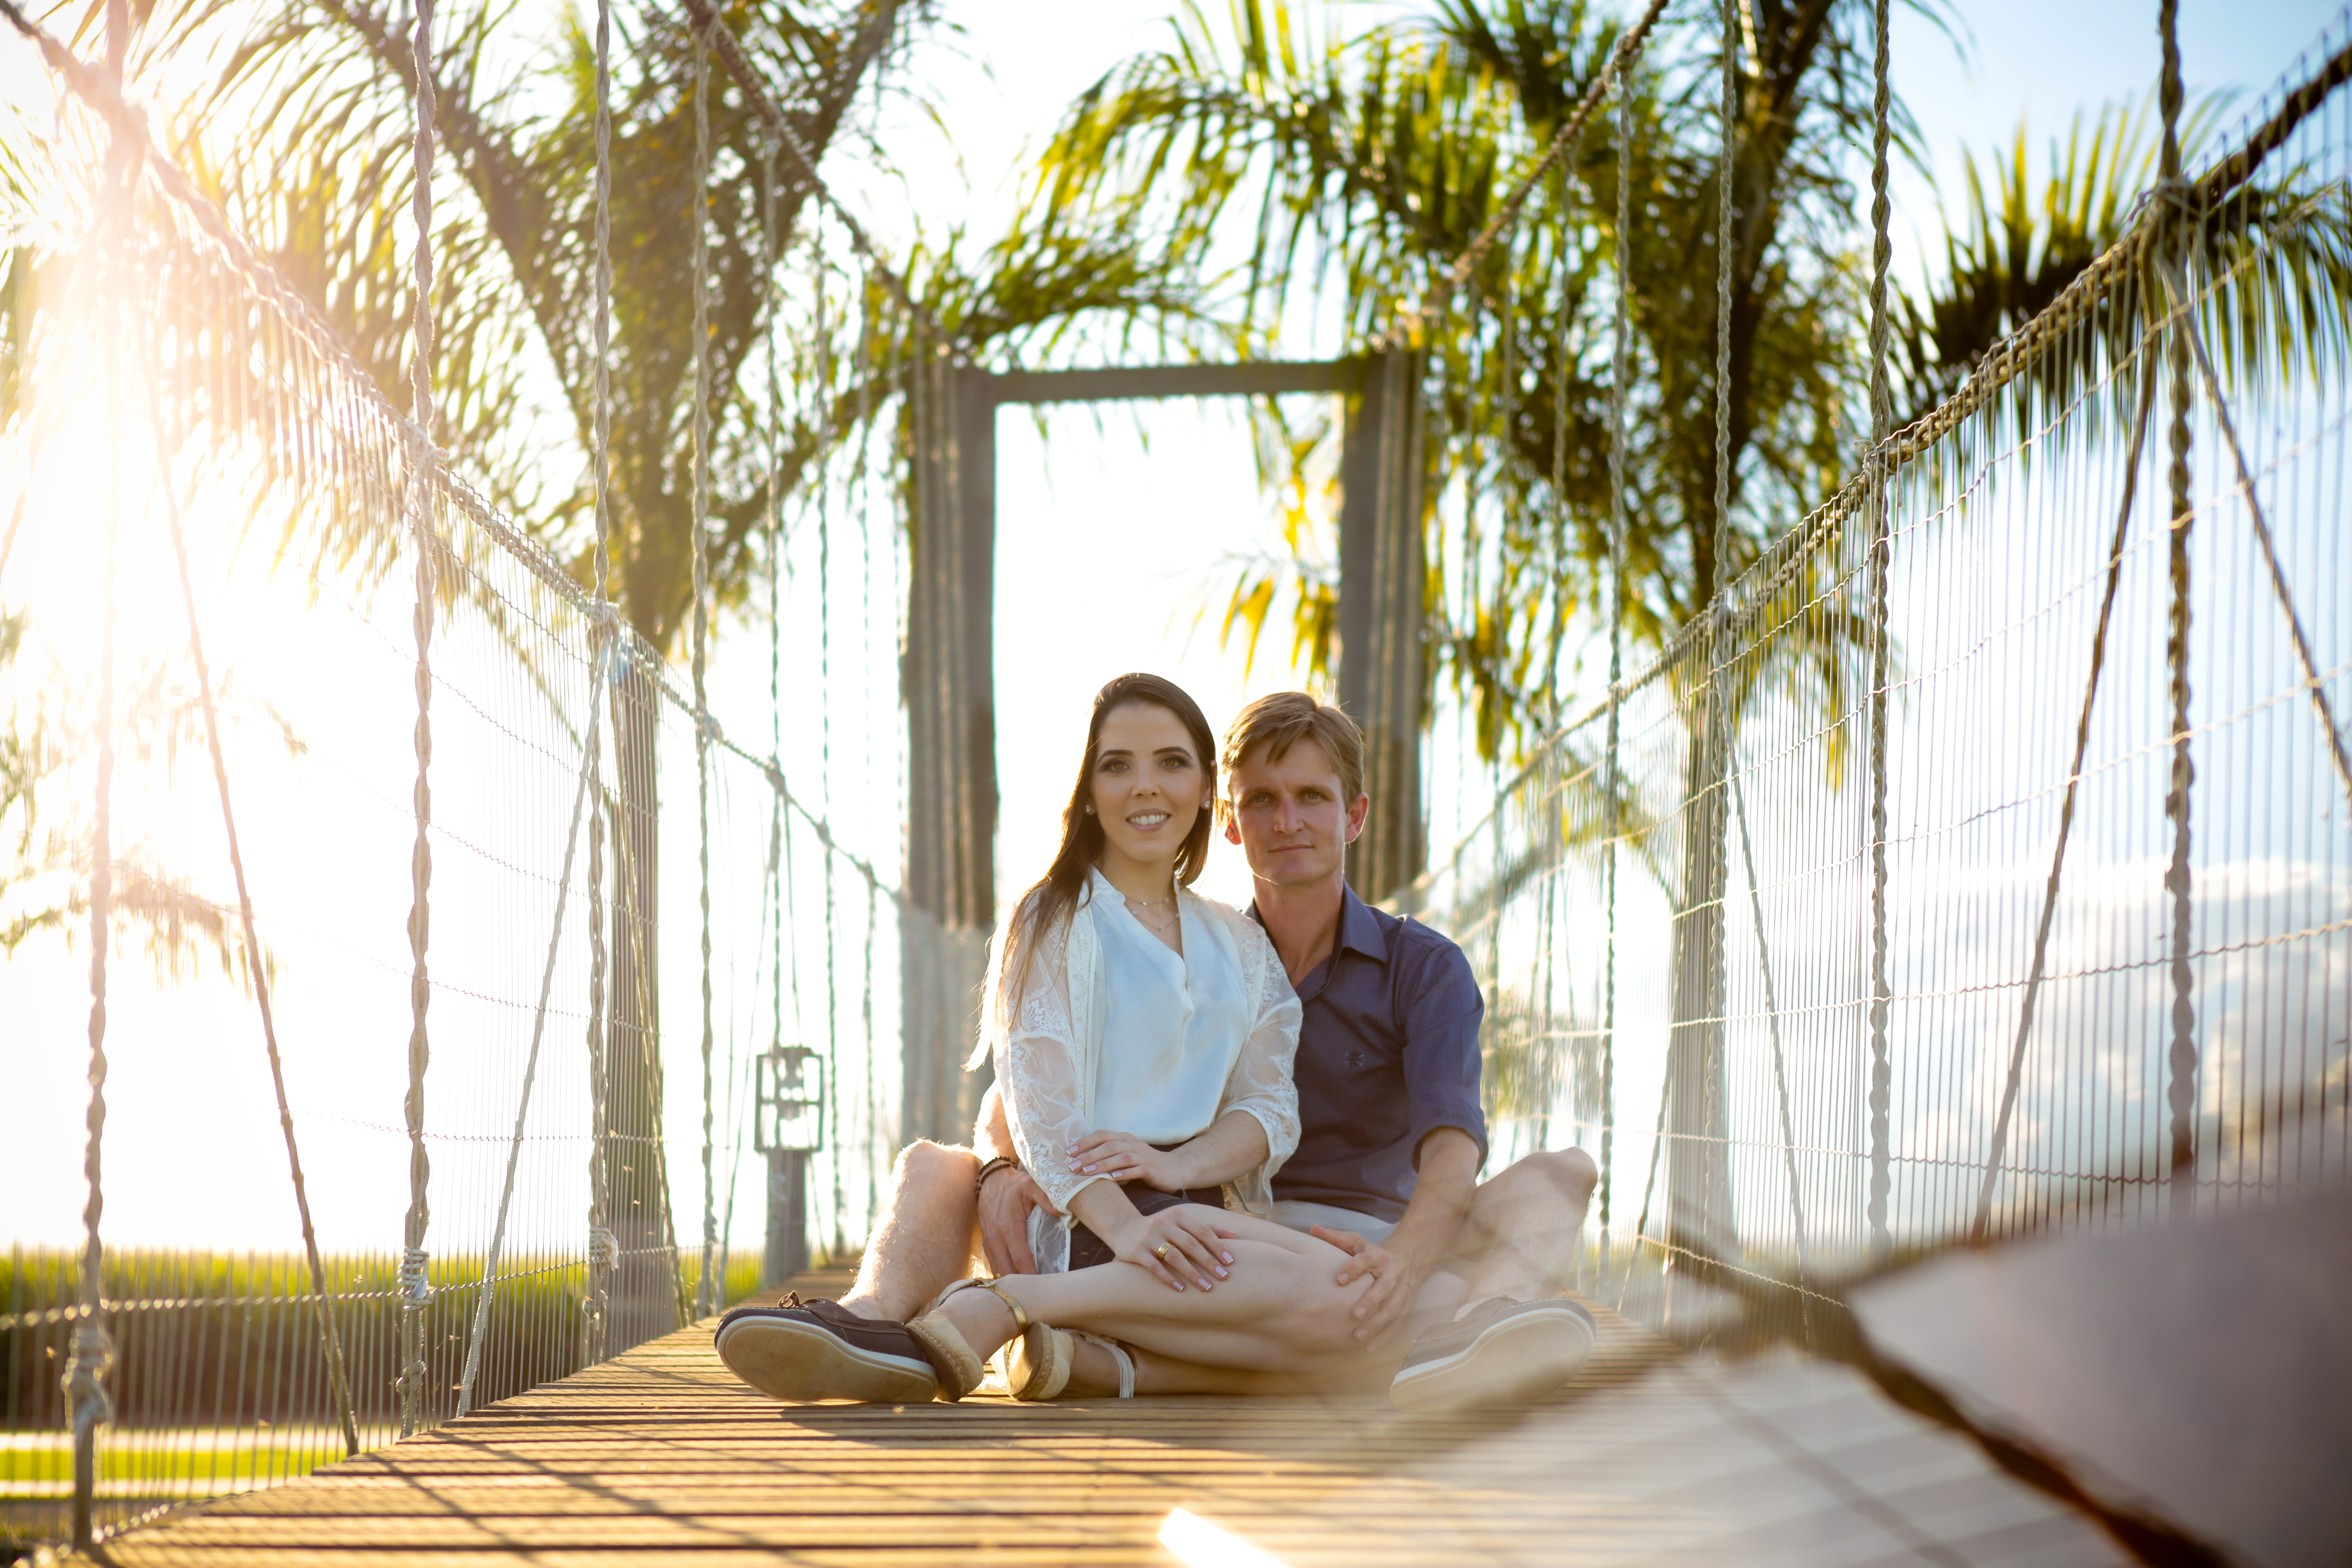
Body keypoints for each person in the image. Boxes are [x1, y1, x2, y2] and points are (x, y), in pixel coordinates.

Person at [720, 692, 1598, 1409]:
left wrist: (1402, 1265)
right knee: (938, 1165)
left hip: (1339, 1235)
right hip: (1192, 1225)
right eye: (1262, 799)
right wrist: (1017, 1174)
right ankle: (868, 1325)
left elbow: (1439, 1145)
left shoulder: (1406, 965)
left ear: (1355, 815)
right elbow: (1022, 1092)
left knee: (1552, 1184)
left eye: (1313, 797)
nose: (1288, 820)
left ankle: (1456, 1335)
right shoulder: (1134, 937)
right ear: (1231, 825)